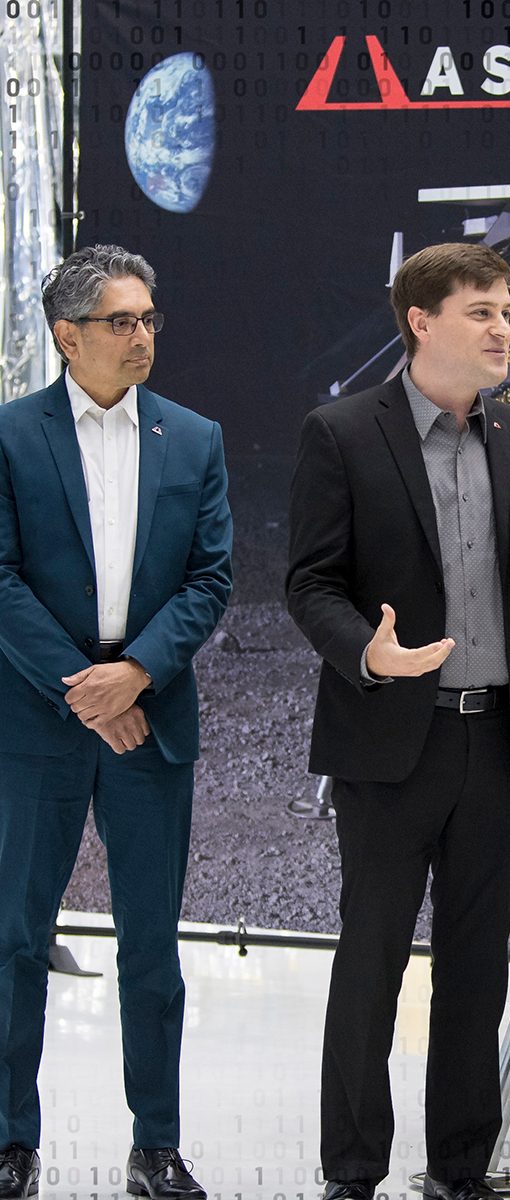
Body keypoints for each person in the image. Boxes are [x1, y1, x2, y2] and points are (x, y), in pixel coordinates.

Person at [286, 242, 510, 1200]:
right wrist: (368, 654)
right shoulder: (342, 433)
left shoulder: (509, 438)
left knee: (475, 964)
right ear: (421, 322)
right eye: (482, 312)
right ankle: (352, 1170)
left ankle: (460, 1168)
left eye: (506, 311)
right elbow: (310, 584)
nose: (505, 329)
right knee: (370, 958)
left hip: (496, 742)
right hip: (388, 741)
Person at [0, 245, 233, 1200]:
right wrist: (83, 689)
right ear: (68, 336)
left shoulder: (195, 438)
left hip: (150, 716)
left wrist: (133, 675)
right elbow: (0, 579)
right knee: (16, 939)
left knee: (152, 945)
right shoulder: (10, 436)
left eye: (148, 319)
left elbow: (210, 580)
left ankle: (157, 1147)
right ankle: (11, 1143)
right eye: (120, 322)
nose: (142, 337)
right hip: (37, 719)